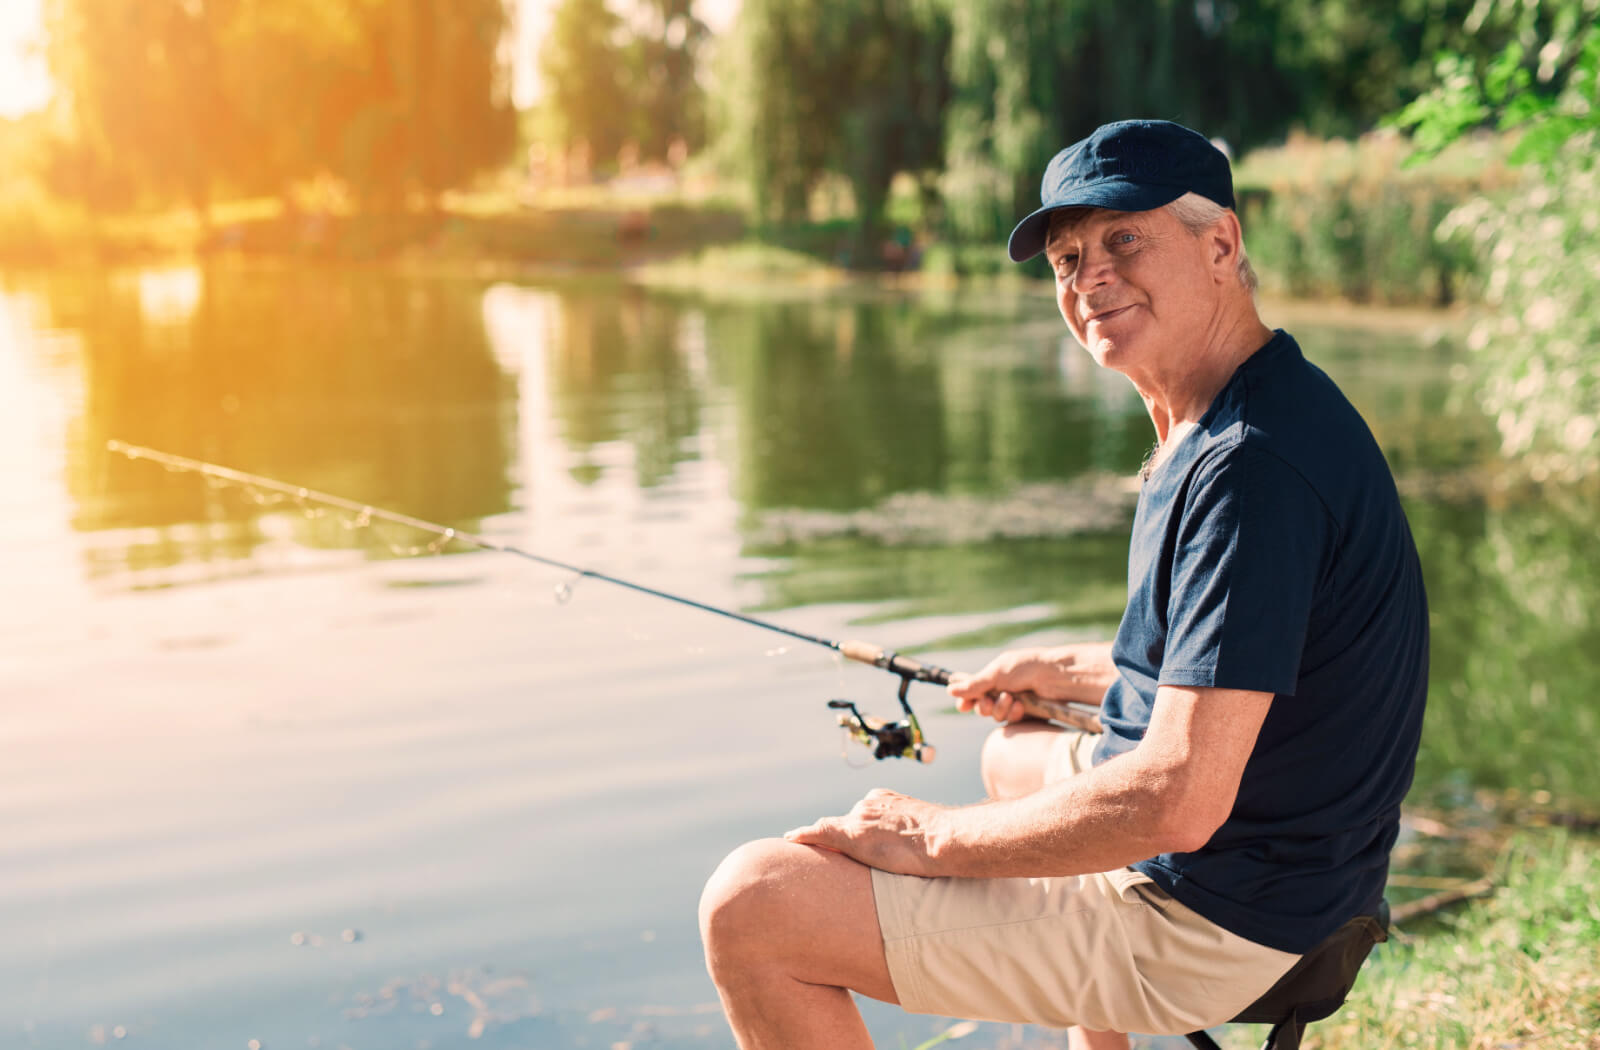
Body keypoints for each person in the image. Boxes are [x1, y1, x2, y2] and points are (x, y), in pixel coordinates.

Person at [697, 119, 1429, 1050]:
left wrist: (930, 839)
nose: (1089, 277)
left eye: (1124, 239)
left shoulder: (1253, 469)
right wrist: (1069, 670)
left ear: (1220, 245)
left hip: (1224, 918)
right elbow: (1250, 656)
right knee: (1016, 752)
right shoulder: (1234, 412)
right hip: (1287, 865)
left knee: (753, 906)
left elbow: (1175, 799)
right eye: (1067, 257)